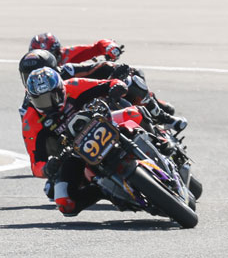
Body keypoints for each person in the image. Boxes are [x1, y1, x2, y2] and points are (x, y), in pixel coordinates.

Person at [23, 67, 134, 216]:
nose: (48, 105)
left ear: (61, 88)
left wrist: (117, 87)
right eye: (41, 100)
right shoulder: (31, 121)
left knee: (132, 113)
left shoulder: (74, 86)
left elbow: (110, 83)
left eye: (52, 97)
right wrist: (48, 168)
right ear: (31, 99)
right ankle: (105, 190)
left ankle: (162, 140)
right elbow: (36, 164)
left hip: (105, 124)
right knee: (65, 203)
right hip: (75, 153)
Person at [17, 49, 186, 130]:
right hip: (72, 134)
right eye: (28, 75)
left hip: (102, 106)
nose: (38, 78)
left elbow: (97, 68)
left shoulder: (67, 72)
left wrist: (117, 69)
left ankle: (162, 117)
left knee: (132, 79)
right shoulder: (29, 104)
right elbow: (34, 137)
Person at [29, 32, 124, 65]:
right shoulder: (30, 71)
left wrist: (110, 47)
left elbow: (97, 47)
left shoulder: (66, 55)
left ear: (57, 52)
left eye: (49, 55)